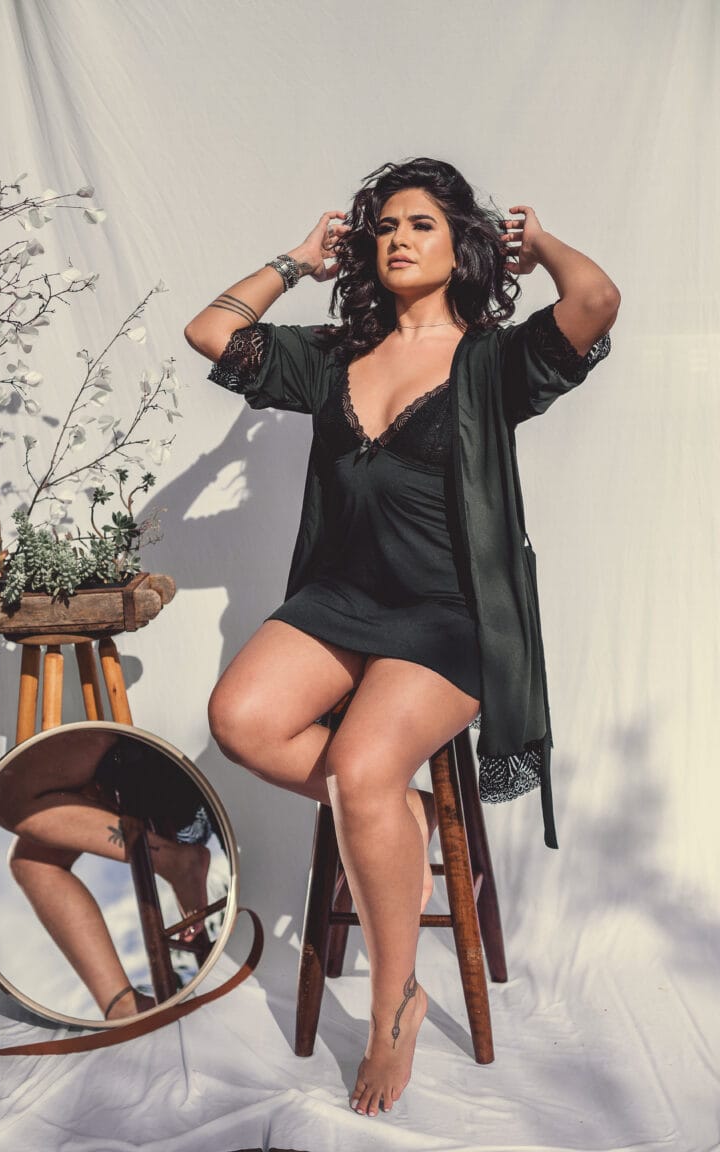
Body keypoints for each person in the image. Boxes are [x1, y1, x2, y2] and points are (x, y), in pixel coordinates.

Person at [185, 157, 619, 1117]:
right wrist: (296, 261)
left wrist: (538, 242)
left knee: (365, 768)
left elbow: (593, 300)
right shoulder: (335, 355)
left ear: (460, 244)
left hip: (449, 615)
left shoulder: (493, 361)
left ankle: (395, 1001)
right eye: (383, 226)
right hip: (342, 601)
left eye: (419, 224)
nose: (395, 238)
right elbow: (212, 330)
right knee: (242, 718)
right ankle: (384, 811)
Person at [0, 728, 212, 1020]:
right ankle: (122, 1006)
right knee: (32, 862)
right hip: (140, 775)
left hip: (149, 748)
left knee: (9, 796)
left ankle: (173, 861)